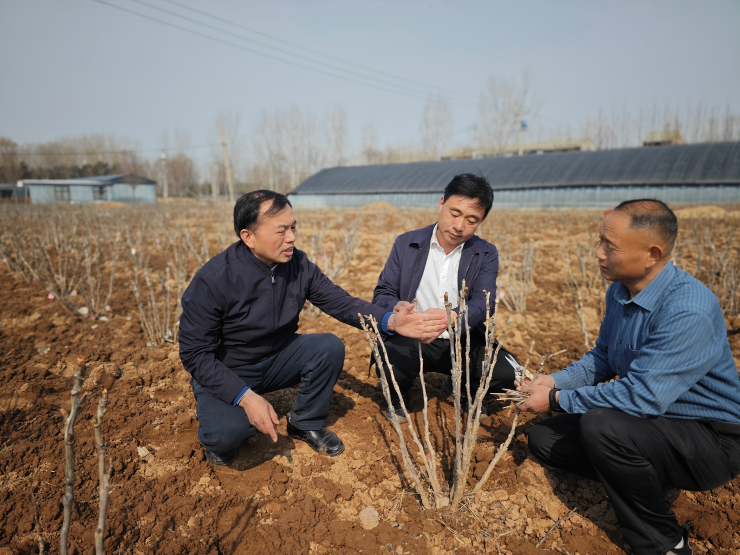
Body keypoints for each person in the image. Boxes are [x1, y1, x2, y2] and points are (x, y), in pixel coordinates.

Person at [517, 199, 740, 555]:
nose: (598, 252)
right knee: (545, 438)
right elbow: (603, 357)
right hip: (656, 424)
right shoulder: (620, 290)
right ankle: (646, 480)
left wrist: (557, 400)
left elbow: (642, 397)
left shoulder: (687, 309)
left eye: (610, 245)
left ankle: (664, 542)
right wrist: (554, 382)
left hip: (709, 439)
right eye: (600, 240)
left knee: (602, 426)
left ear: (652, 253)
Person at [179, 190, 447, 465]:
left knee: (328, 347)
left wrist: (391, 320)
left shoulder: (298, 265)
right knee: (227, 436)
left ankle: (305, 422)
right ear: (248, 237)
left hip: (277, 358)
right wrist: (245, 397)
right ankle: (222, 437)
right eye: (281, 230)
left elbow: (340, 302)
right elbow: (194, 354)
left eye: (293, 227)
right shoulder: (213, 280)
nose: (292, 237)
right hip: (229, 369)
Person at [372, 173, 518, 422]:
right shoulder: (407, 243)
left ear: (481, 221)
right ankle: (400, 394)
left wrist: (452, 317)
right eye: (454, 213)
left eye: (471, 220)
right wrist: (397, 310)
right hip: (413, 334)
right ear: (441, 204)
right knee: (389, 359)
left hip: (461, 337)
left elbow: (485, 304)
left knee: (508, 374)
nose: (459, 226)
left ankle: (461, 387)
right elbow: (383, 292)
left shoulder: (485, 253)